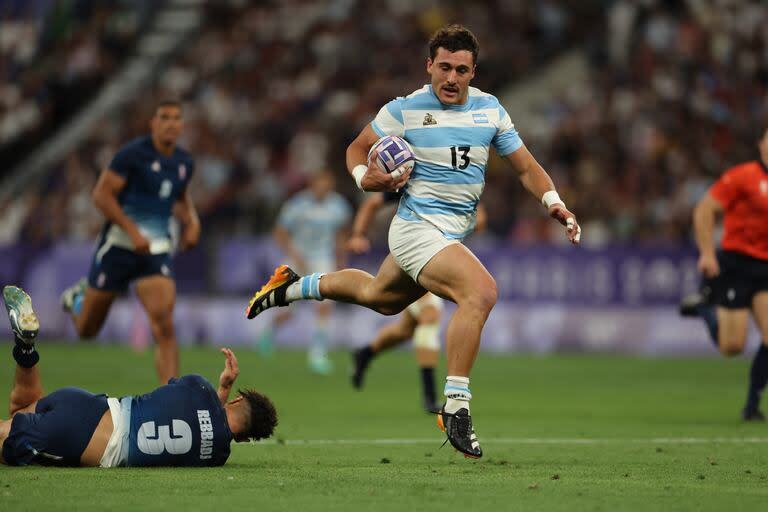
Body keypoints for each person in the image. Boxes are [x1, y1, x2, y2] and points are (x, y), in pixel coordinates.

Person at [245, 25, 580, 459]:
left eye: (461, 69)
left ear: (473, 72)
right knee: (480, 293)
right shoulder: (404, 110)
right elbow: (355, 149)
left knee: (379, 298)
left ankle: (288, 287)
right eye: (444, 67)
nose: (452, 77)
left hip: (450, 233)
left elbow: (526, 168)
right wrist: (367, 178)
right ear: (430, 66)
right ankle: (456, 405)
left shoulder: (490, 112)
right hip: (415, 228)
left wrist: (554, 202)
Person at [1, 285, 277, 467]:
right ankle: (25, 347)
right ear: (245, 439)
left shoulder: (199, 386)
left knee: (18, 413)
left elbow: (195, 412)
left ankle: (26, 349)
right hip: (90, 441)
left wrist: (222, 387)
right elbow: (209, 428)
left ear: (239, 399)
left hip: (91, 406)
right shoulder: (217, 455)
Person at [60, 100, 200, 384]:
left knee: (164, 324)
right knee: (87, 330)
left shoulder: (184, 163)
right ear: (153, 124)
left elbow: (180, 196)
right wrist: (132, 231)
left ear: (182, 125)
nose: (171, 123)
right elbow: (101, 195)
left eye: (176, 118)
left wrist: (193, 222)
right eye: (164, 117)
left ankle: (172, 397)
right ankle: (76, 298)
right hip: (120, 247)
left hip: (155, 251)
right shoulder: (132, 155)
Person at [348, 193, 488, 414]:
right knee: (429, 315)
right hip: (415, 252)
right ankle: (430, 396)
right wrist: (358, 234)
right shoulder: (418, 176)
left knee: (406, 329)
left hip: (439, 254)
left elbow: (480, 219)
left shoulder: (457, 182)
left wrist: (466, 218)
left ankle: (365, 354)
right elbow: (374, 200)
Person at [679, 127, 768, 421]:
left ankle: (752, 406)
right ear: (761, 145)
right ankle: (706, 309)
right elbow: (704, 210)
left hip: (765, 268)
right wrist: (706, 253)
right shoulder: (743, 176)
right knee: (732, 346)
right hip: (736, 265)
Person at [257, 170, 351, 374]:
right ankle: (269, 332)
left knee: (325, 306)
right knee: (288, 311)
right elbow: (279, 231)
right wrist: (293, 252)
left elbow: (341, 234)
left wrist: (341, 259)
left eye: (327, 185)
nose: (323, 188)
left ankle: (318, 355)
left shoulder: (338, 206)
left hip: (322, 258)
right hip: (297, 258)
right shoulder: (297, 204)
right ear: (312, 184)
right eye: (320, 184)